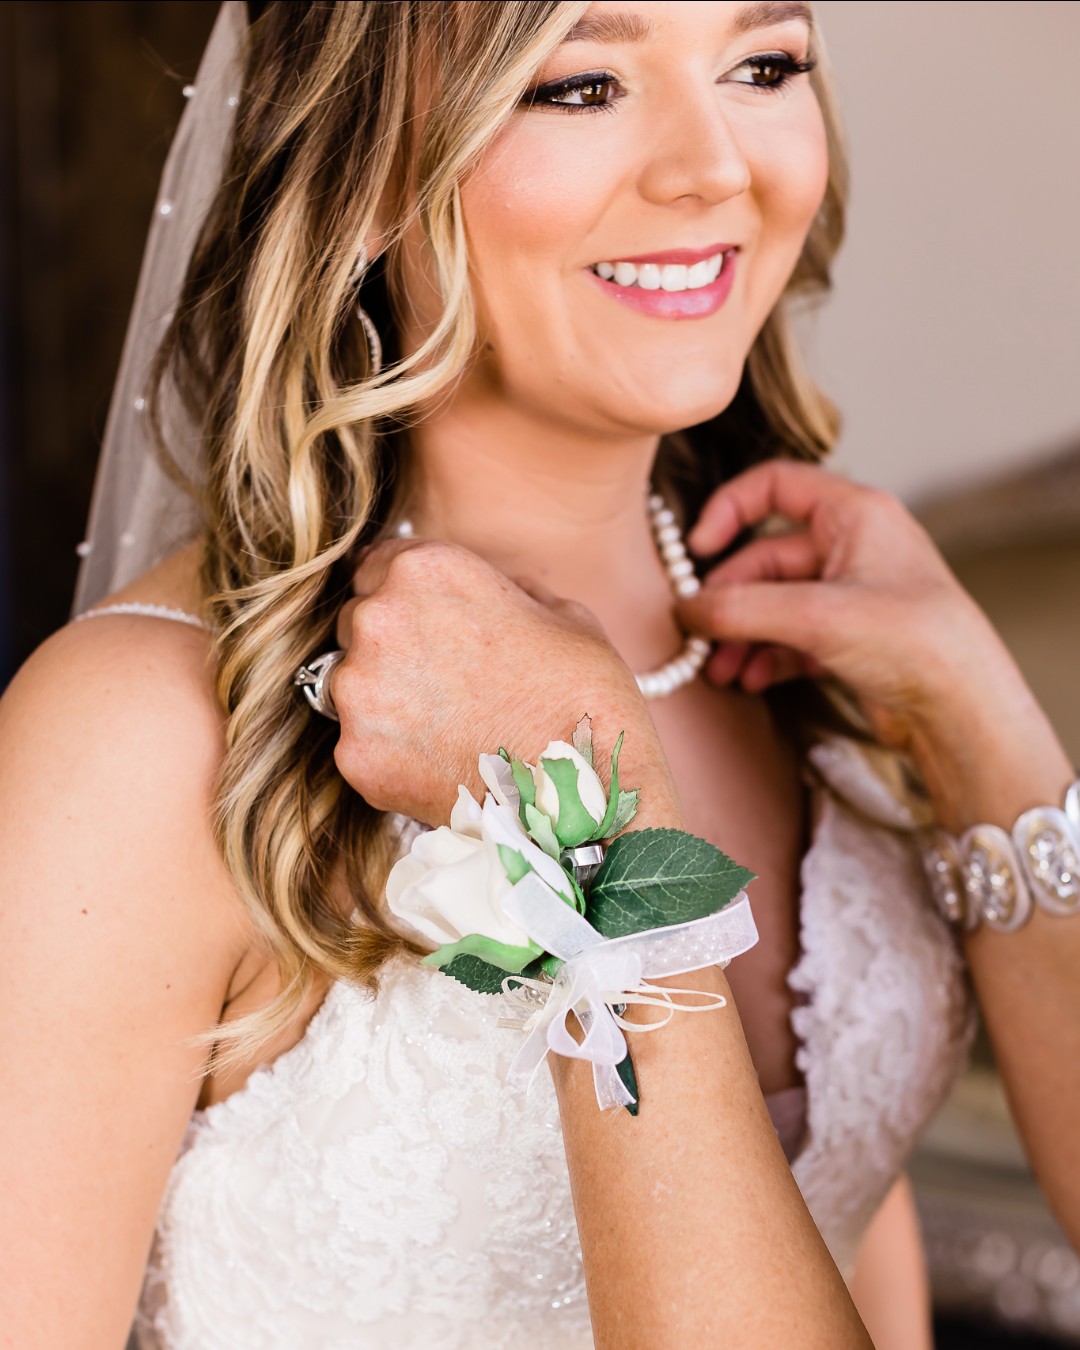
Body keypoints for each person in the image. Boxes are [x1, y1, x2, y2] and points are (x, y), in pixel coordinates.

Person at [1, 1, 1076, 1347]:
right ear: (371, 167)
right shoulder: (137, 743)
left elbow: (849, 1242)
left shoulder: (837, 673)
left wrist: (984, 719)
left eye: (765, 64)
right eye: (581, 87)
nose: (713, 168)